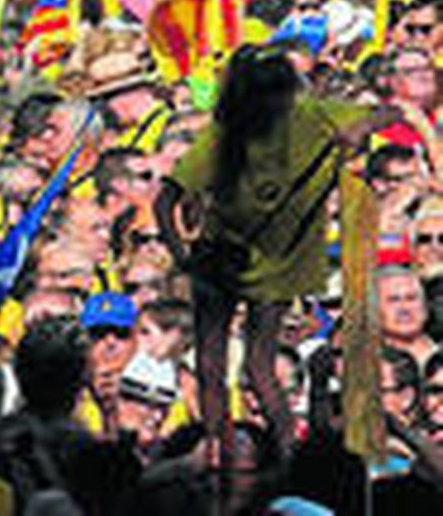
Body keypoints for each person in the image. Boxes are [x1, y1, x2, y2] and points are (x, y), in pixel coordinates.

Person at [159, 44, 399, 464]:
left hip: (275, 262)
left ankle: (287, 457)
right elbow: (166, 201)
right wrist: (184, 256)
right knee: (217, 365)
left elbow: (387, 112)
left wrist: (362, 128)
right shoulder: (224, 138)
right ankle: (225, 455)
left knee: (254, 366)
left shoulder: (311, 119)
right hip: (222, 259)